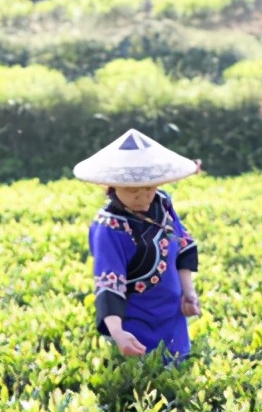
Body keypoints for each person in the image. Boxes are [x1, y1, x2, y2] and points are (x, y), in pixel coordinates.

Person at [74, 129, 202, 362]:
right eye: (133, 190)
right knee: (143, 375)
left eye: (149, 188)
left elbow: (183, 246)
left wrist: (189, 293)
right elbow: (109, 284)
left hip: (173, 318)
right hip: (135, 326)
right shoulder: (108, 227)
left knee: (178, 369)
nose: (143, 197)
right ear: (112, 186)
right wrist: (118, 333)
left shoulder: (162, 203)